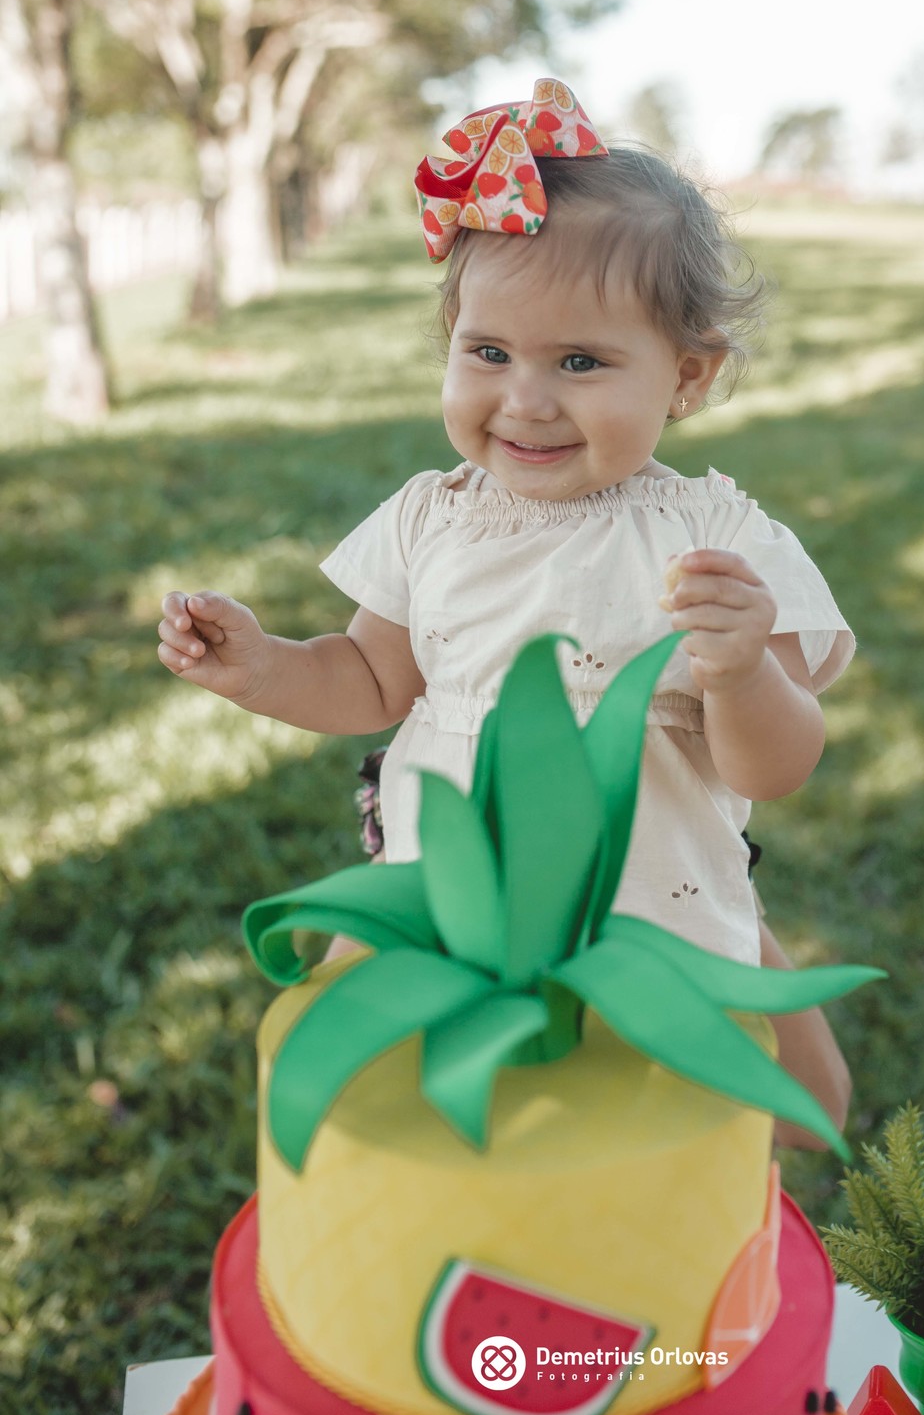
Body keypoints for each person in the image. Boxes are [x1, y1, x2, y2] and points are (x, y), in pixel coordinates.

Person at [157, 79, 855, 1151]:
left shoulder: (718, 539)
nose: (525, 399)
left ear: (688, 376)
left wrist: (743, 671)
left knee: (798, 1108)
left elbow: (778, 764)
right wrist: (262, 666)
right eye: (489, 353)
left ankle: (719, 1234)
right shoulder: (431, 517)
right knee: (356, 1095)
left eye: (580, 362)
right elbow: (369, 680)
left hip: (651, 899)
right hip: (448, 895)